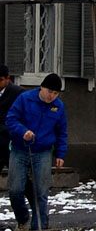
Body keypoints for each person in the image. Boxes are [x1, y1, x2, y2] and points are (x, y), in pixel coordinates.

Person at [6, 73, 67, 231]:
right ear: (42, 87)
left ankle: (38, 225)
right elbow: (11, 119)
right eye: (49, 91)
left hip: (43, 151)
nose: (51, 96)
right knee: (15, 189)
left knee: (41, 190)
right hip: (20, 149)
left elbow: (61, 132)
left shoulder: (58, 107)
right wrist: (23, 131)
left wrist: (60, 154)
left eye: (55, 93)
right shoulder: (25, 99)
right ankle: (23, 217)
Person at [0, 65, 25, 172]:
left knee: (17, 175)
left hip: (11, 141)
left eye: (0, 80)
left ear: (7, 79)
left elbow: (22, 117)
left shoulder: (18, 93)